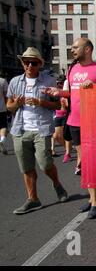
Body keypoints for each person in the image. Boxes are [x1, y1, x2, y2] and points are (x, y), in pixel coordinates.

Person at [44, 38, 96, 219]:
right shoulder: (73, 69)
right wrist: (60, 93)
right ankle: (92, 199)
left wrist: (95, 88)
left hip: (94, 124)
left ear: (87, 49)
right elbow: (73, 93)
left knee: (90, 162)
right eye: (72, 47)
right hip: (74, 122)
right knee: (84, 164)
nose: (72, 50)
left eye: (76, 47)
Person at [6, 47, 69, 215]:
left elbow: (57, 105)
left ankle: (57, 184)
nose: (30, 66)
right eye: (26, 62)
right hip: (20, 129)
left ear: (40, 64)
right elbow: (9, 106)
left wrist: (40, 102)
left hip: (41, 128)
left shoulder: (48, 81)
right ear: (23, 63)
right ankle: (33, 199)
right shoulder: (14, 82)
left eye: (34, 63)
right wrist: (17, 104)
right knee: (26, 167)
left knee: (45, 163)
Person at [51, 75, 72, 163]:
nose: (59, 85)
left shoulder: (67, 91)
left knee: (65, 136)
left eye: (61, 83)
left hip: (66, 115)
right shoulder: (55, 91)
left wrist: (65, 105)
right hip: (57, 115)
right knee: (56, 136)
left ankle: (67, 153)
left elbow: (69, 105)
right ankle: (67, 149)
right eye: (58, 83)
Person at [0, 73, 8, 154]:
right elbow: (7, 96)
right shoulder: (3, 81)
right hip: (1, 108)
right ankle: (2, 140)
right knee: (3, 126)